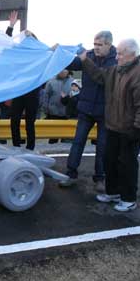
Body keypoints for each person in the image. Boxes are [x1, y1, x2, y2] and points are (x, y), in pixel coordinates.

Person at [79, 39, 140, 212]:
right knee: (109, 161)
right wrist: (85, 60)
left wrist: (138, 127)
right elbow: (99, 75)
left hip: (130, 130)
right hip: (112, 127)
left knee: (127, 164)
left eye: (120, 53)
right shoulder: (115, 71)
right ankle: (113, 192)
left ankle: (129, 199)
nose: (117, 56)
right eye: (118, 52)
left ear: (132, 55)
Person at [59, 31, 117, 190]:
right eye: (94, 44)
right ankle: (71, 174)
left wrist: (85, 60)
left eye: (100, 45)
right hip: (86, 109)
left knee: (102, 146)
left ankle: (100, 178)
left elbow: (102, 78)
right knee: (77, 142)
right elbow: (73, 64)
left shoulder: (116, 61)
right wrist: (60, 53)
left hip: (105, 111)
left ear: (109, 45)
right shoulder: (89, 55)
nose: (96, 48)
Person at [5, 10, 42, 150]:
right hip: (19, 91)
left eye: (30, 38)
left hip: (32, 92)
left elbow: (50, 52)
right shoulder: (19, 52)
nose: (27, 39)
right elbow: (5, 44)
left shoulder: (39, 53)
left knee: (29, 122)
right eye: (26, 38)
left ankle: (30, 148)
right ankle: (15, 146)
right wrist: (11, 26)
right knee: (14, 120)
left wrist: (31, 35)